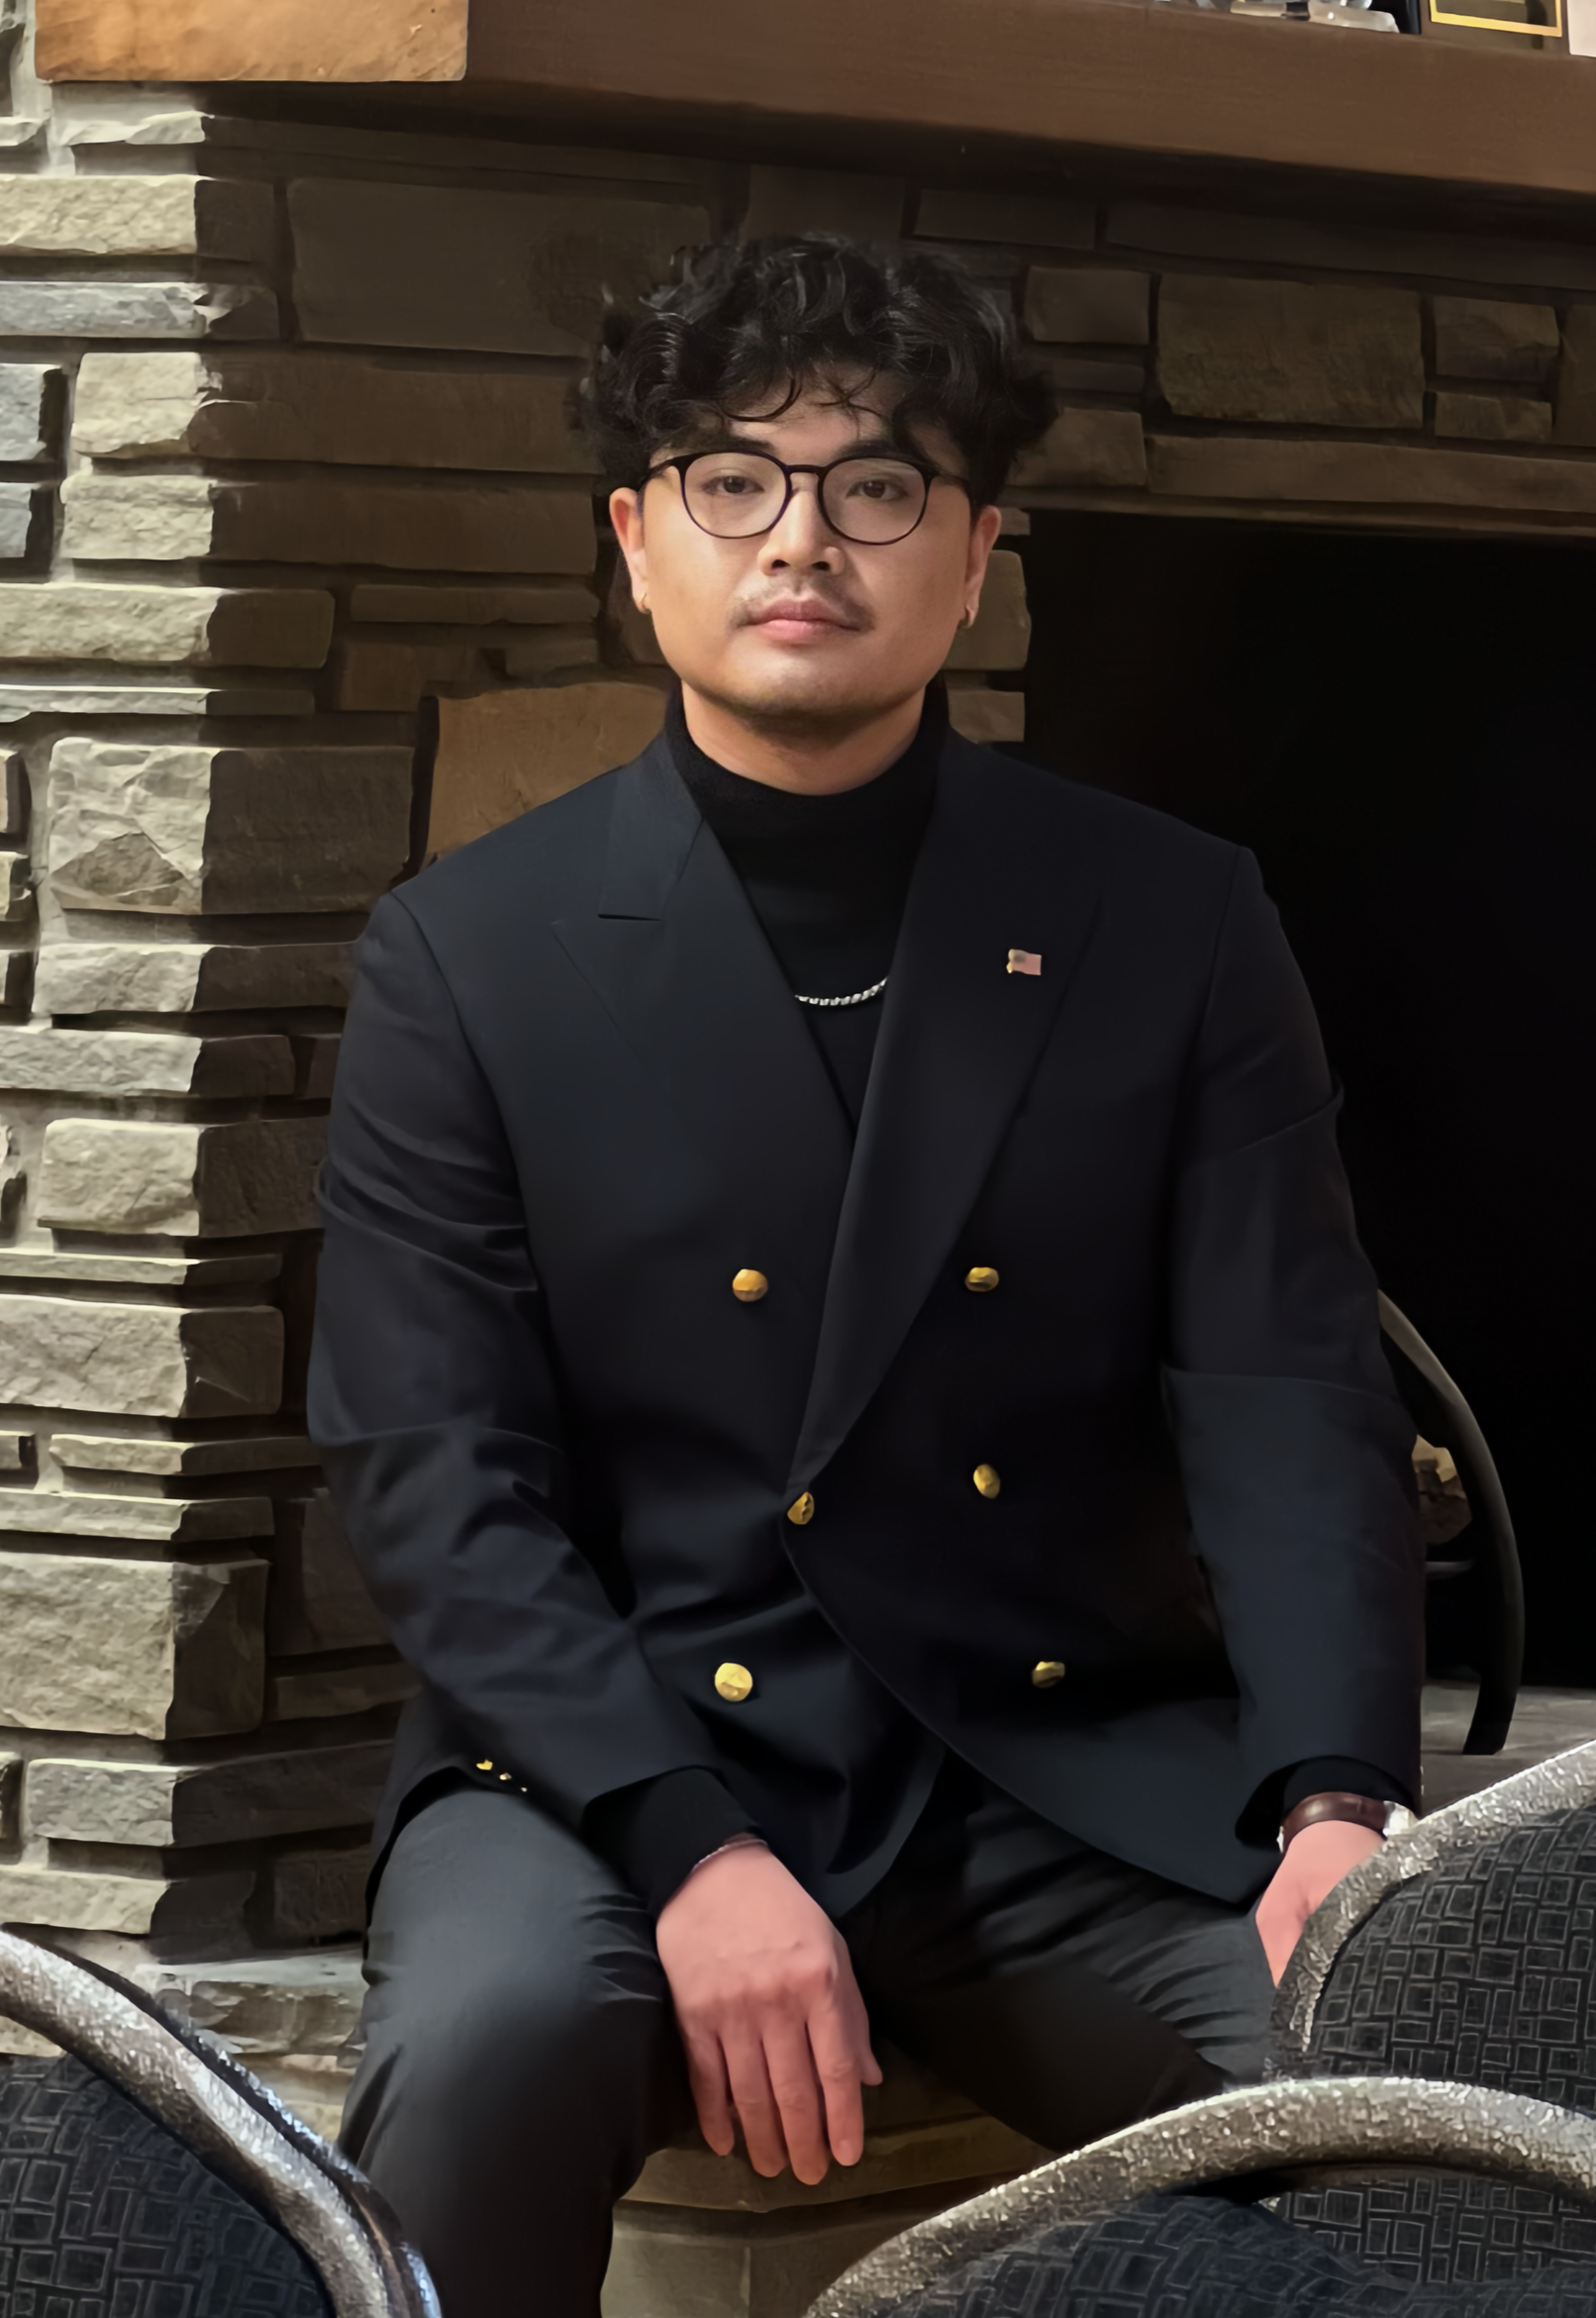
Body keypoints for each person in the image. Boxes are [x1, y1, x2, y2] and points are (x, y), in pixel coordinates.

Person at [309, 236, 1423, 2318]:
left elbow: (1284, 1389)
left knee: (1417, 2084)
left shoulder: (1164, 916)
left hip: (1046, 1746)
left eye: (878, 481)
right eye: (735, 478)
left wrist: (1335, 1794)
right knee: (485, 2044)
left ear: (978, 550)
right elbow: (432, 1471)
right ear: (636, 539)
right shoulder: (464, 953)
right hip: (602, 1756)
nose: (801, 536)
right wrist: (692, 1844)